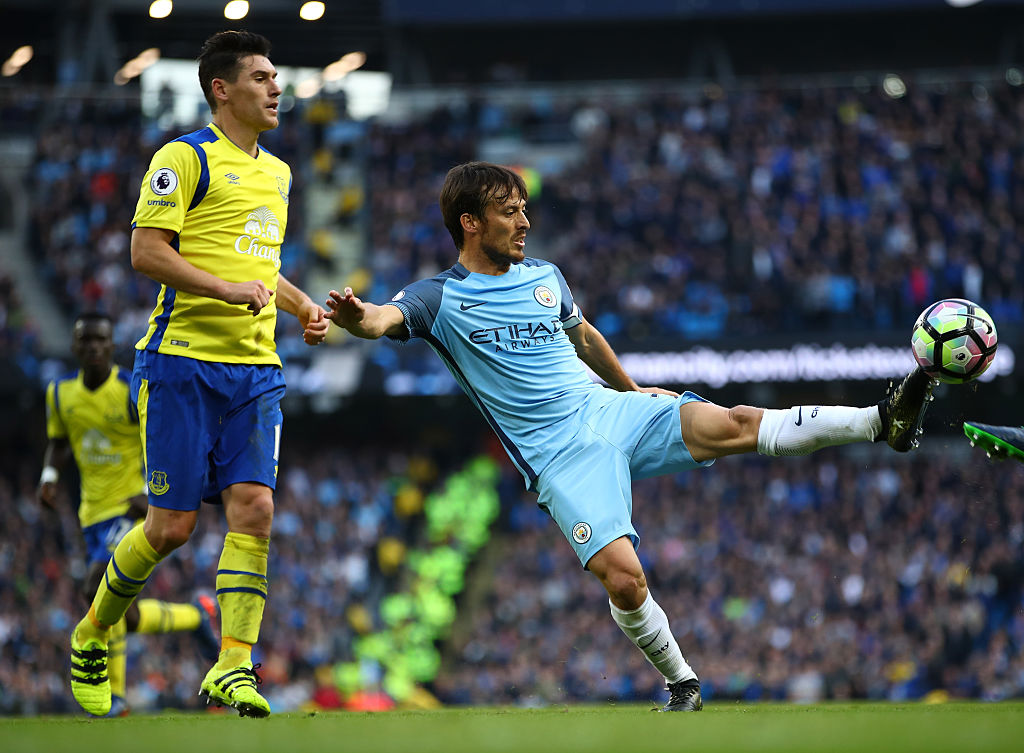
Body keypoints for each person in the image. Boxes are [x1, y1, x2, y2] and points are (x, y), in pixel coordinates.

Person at [323, 161, 937, 711]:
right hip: (559, 455)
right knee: (625, 579)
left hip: (609, 409)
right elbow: (380, 319)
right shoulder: (440, 298)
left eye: (524, 209)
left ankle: (882, 422)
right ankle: (682, 683)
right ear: (471, 223)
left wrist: (632, 389)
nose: (525, 221)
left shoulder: (545, 276)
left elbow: (584, 336)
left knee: (735, 422)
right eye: (510, 211)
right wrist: (356, 317)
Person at [68, 30, 329, 719]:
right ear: (223, 89)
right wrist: (222, 289)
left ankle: (233, 665)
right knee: (170, 527)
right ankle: (93, 634)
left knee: (257, 509)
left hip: (255, 369)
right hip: (180, 362)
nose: (278, 88)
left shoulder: (278, 173)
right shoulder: (182, 158)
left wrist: (301, 306)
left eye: (278, 78)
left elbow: (260, 263)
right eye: (263, 77)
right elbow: (146, 252)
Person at [39, 313, 220, 717]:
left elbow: (160, 435)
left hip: (130, 508)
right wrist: (50, 475)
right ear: (75, 347)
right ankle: (195, 617)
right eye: (86, 341)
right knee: (126, 613)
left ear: (111, 345)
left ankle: (114, 696)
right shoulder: (59, 394)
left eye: (101, 340)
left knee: (94, 587)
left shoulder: (128, 388)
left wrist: (147, 491)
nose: (93, 348)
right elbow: (58, 440)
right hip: (91, 515)